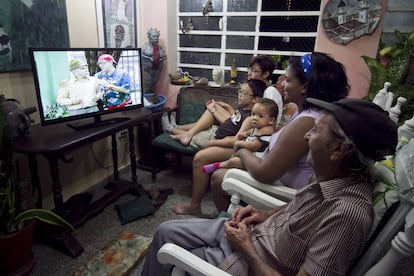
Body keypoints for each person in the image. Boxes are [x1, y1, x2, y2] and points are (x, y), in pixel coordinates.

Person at [141, 97, 398, 276]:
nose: (307, 136)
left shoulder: (348, 215)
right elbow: (299, 208)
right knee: (165, 231)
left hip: (247, 260)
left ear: (339, 149)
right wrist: (264, 214)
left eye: (316, 131)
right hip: (252, 233)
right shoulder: (331, 176)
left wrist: (247, 248)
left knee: (168, 250)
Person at [211, 52, 350, 212]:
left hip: (287, 195)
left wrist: (241, 150)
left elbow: (264, 173)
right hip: (282, 183)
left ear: (304, 87)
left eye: (288, 80)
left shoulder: (308, 122)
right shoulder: (309, 114)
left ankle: (233, 227)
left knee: (219, 177)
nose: (282, 83)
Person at [171, 79, 267, 215]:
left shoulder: (253, 117)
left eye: (244, 93)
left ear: (255, 99)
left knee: (200, 157)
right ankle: (176, 129)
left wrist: (213, 143)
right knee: (204, 117)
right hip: (219, 134)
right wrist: (221, 108)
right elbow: (232, 120)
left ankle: (194, 205)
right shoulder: (243, 109)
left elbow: (236, 139)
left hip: (230, 145)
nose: (239, 95)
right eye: (240, 91)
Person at [202, 98, 278, 173]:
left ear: (271, 120)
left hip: (256, 162)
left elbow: (255, 146)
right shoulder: (258, 127)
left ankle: (219, 165)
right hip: (249, 156)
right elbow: (252, 131)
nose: (255, 118)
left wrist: (241, 143)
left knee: (234, 161)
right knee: (234, 158)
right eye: (253, 114)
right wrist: (245, 133)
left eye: (260, 116)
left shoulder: (267, 131)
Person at [142, 28, 167, 93]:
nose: (156, 38)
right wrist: (150, 57)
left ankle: (152, 98)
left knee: (154, 84)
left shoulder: (159, 47)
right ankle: (148, 99)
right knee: (148, 84)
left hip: (157, 69)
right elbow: (142, 54)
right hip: (147, 70)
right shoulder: (145, 46)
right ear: (149, 37)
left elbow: (164, 55)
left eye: (157, 36)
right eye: (154, 36)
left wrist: (160, 57)